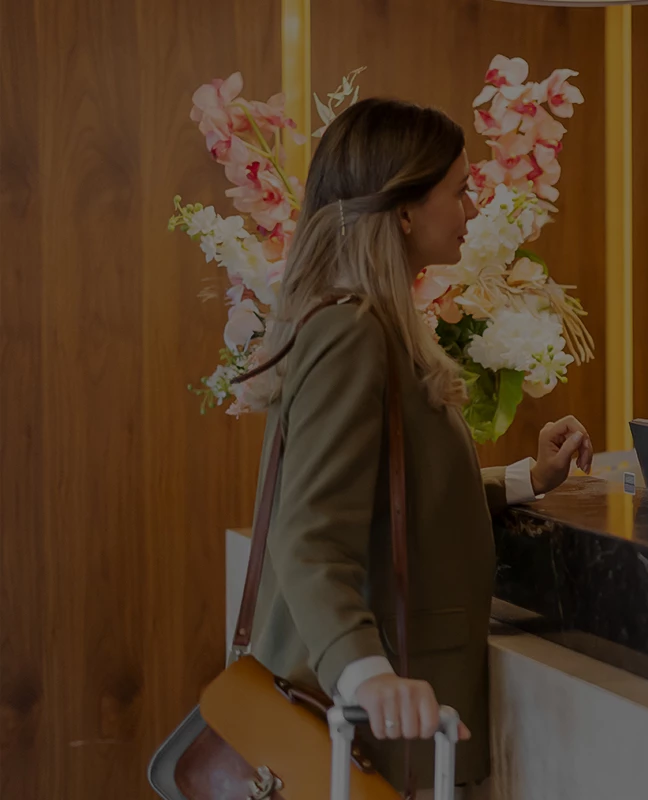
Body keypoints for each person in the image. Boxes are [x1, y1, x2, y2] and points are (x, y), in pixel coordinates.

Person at [242, 98, 593, 794]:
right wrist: (367, 673)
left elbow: (403, 500)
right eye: (460, 190)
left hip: (390, 728)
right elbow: (310, 536)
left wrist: (527, 478)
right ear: (403, 210)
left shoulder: (378, 327)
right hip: (369, 732)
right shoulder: (352, 335)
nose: (473, 206)